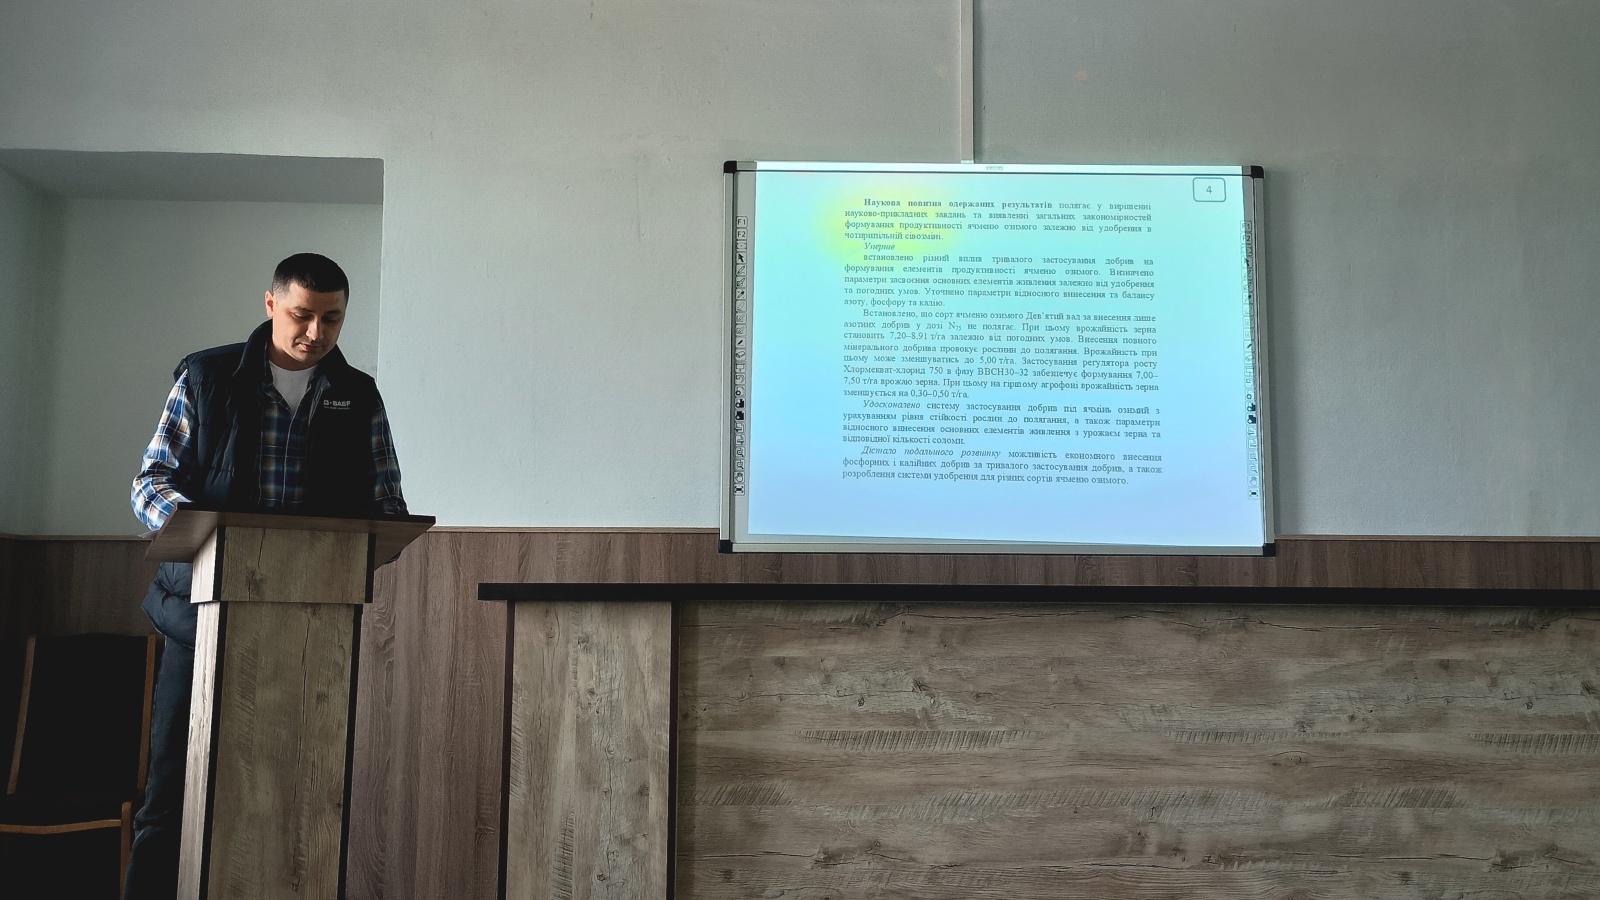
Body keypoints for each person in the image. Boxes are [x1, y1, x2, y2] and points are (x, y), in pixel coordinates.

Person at [123, 252, 406, 899]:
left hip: (310, 630)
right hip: (199, 622)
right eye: (302, 315)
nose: (315, 333)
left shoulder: (359, 395)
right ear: (271, 303)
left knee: (297, 801)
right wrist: (212, 536)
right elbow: (150, 484)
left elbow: (387, 506)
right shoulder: (207, 376)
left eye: (332, 319)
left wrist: (356, 543)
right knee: (171, 802)